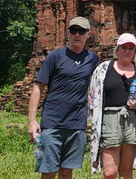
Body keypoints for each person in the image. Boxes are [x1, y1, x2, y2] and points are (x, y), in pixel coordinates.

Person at [28, 16, 100, 179]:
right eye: (73, 30)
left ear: (88, 34)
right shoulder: (55, 56)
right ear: (68, 33)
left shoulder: (92, 59)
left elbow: (109, 73)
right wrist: (32, 121)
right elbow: (38, 88)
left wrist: (134, 63)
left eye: (81, 31)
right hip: (53, 123)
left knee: (67, 172)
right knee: (48, 171)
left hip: (76, 124)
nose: (77, 35)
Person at [88, 33, 136, 178]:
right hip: (110, 120)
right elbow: (92, 95)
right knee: (110, 172)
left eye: (131, 48)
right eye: (124, 47)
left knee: (126, 172)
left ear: (135, 52)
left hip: (131, 121)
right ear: (117, 50)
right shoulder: (104, 69)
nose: (127, 51)